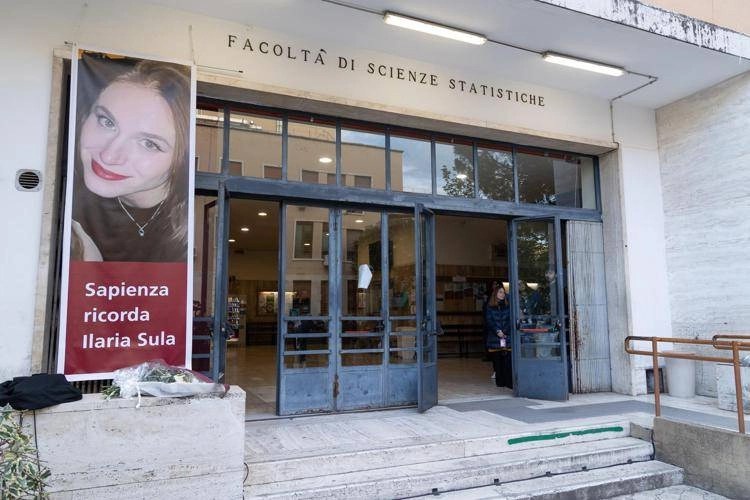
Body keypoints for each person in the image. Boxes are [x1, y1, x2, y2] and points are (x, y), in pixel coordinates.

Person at [71, 55, 191, 262]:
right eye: (107, 122)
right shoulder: (64, 193)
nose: (109, 156)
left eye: (148, 144)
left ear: (180, 161)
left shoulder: (188, 227)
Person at [485, 283, 512, 389]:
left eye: (503, 292)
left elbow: (510, 319)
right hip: (495, 337)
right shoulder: (490, 307)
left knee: (507, 362)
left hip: (506, 336)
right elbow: (489, 320)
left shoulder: (508, 305)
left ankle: (509, 382)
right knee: (497, 362)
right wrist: (497, 331)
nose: (502, 294)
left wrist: (504, 332)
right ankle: (500, 382)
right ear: (495, 293)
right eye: (500, 292)